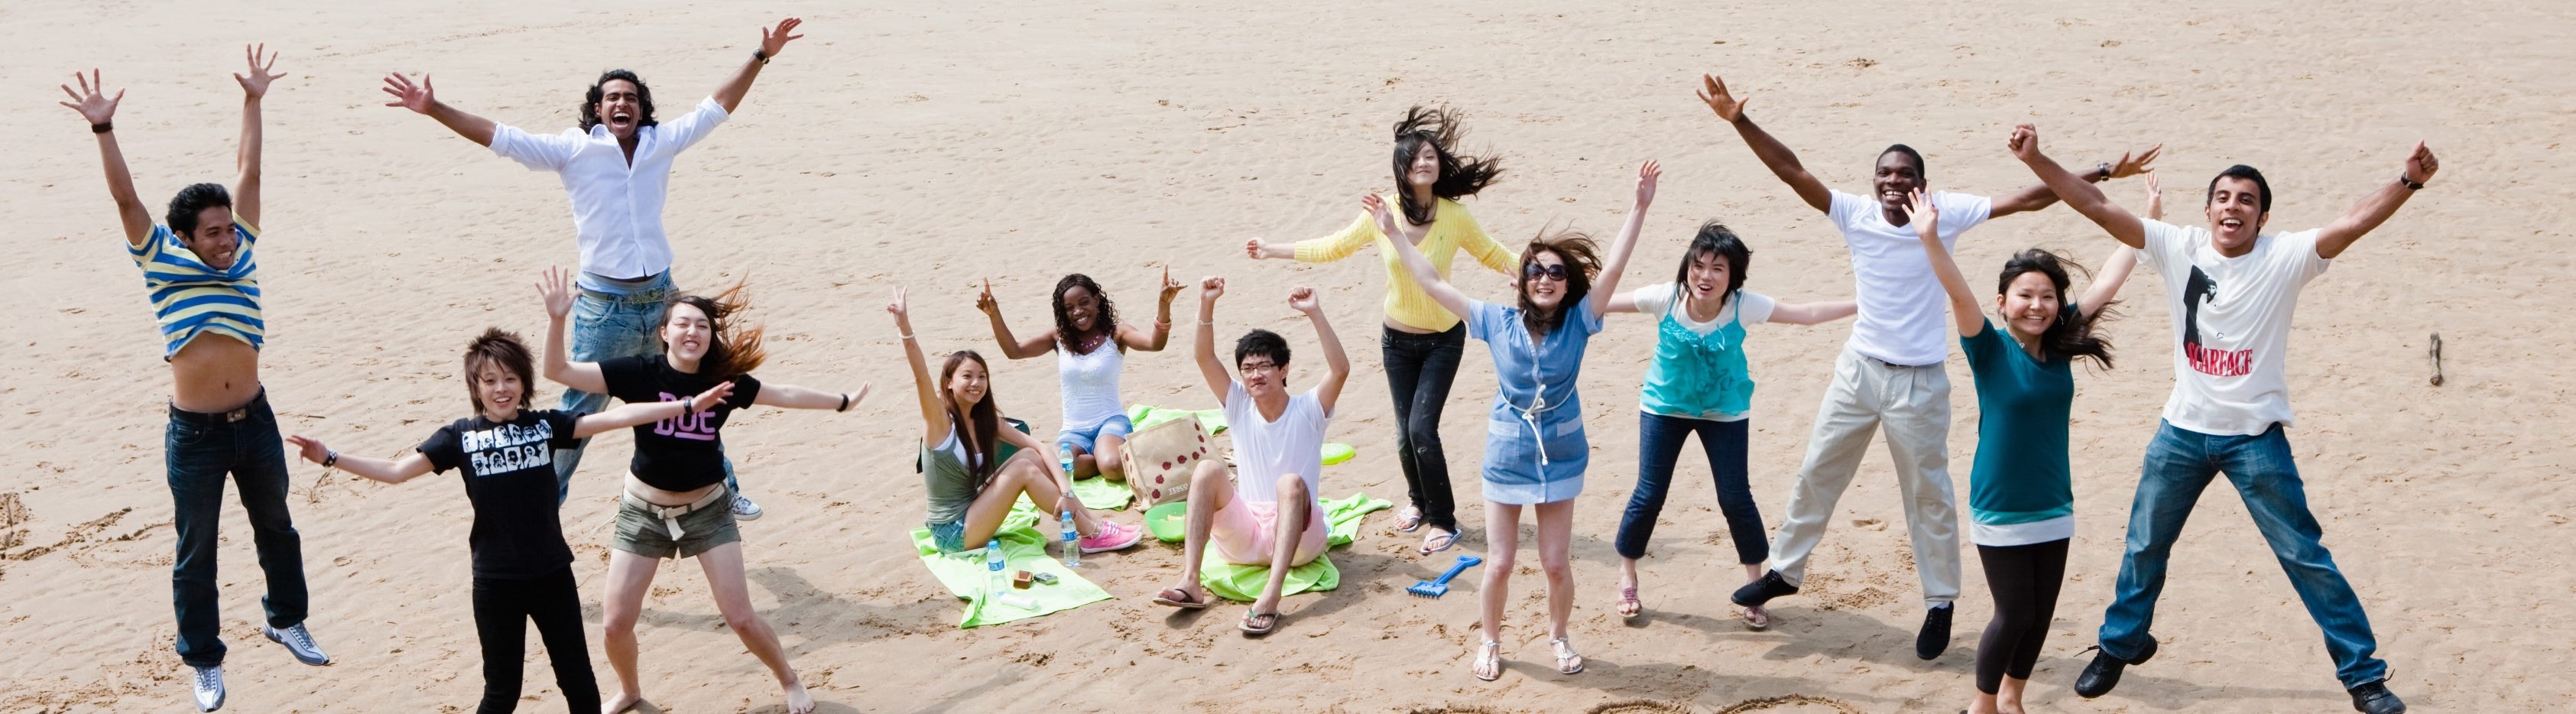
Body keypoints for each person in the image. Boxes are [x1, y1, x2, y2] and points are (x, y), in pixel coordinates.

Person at [1695, 73, 2159, 657]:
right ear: (1874, 182)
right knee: (1819, 470)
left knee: (1928, 494)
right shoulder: (1853, 213)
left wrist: (2101, 171)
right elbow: (1792, 171)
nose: (1894, 182)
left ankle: (1940, 601)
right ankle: (1785, 571)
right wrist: (1739, 120)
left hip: (1920, 381)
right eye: (1886, 174)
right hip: (1859, 368)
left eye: (1905, 175)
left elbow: (2028, 199)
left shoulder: (1945, 213)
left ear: (1921, 184)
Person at [2009, 123, 2434, 714]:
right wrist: (2038, 160)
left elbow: (2353, 221)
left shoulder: (2285, 257)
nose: (2234, 207)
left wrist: (2408, 181)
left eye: (2248, 201)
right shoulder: (2176, 245)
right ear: (2208, 209)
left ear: (2262, 218)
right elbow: (2098, 205)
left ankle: (2364, 676)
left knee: (2306, 557)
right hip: (2181, 431)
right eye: (2225, 198)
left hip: (2255, 439)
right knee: (2144, 545)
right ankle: (2120, 643)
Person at [381, 18, 807, 519]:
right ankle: (541, 508)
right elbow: (502, 138)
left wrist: (761, 54)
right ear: (598, 110)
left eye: (630, 97)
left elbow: (716, 108)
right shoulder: (574, 150)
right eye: (612, 97)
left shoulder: (660, 143)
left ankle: (722, 488)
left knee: (692, 396)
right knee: (577, 415)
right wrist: (433, 108)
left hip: (663, 302)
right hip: (604, 310)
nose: (622, 103)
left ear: (642, 109)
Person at [63, 47, 326, 711]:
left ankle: (286, 618)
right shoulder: (159, 261)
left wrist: (254, 100)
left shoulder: (246, 252)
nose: (228, 240)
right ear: (184, 237)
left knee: (278, 529)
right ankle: (204, 661)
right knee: (195, 552)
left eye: (229, 230)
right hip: (197, 435)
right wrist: (103, 128)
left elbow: (250, 169)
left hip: (256, 421)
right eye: (213, 234)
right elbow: (126, 198)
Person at [282, 329, 732, 713]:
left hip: (553, 573)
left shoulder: (545, 426)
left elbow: (618, 417)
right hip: (496, 582)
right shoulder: (458, 437)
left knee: (578, 681)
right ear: (476, 387)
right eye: (490, 380)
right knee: (502, 692)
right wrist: (331, 458)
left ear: (525, 384)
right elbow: (397, 471)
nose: (502, 389)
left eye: (511, 379)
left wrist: (685, 407)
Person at [533, 268, 860, 714]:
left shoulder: (724, 381)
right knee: (614, 625)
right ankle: (629, 690)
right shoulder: (638, 373)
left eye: (702, 325)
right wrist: (557, 319)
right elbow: (557, 371)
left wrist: (840, 402)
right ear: (664, 332)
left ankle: (790, 680)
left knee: (740, 617)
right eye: (683, 324)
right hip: (643, 512)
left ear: (710, 336)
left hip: (708, 510)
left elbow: (781, 393)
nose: (693, 332)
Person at [1380, 161, 1657, 680]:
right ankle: (1489, 641)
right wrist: (1396, 235)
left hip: (1562, 453)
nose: (1546, 279)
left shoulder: (1580, 321)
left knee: (1556, 562)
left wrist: (1638, 208)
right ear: (1521, 280)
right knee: (1501, 563)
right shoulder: (1496, 321)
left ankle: (1558, 635)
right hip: (1507, 454)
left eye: (1556, 272)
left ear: (1567, 282)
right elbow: (1435, 282)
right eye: (1536, 270)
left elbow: (1615, 269)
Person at [1902, 181, 2139, 714]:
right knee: (2012, 613)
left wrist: (2146, 225)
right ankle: (1982, 705)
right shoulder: (1988, 349)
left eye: (2048, 296)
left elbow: (2109, 277)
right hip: (2001, 503)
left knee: (2039, 614)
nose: (2038, 305)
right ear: (2004, 303)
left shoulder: (2061, 346)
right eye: (2026, 296)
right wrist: (1930, 239)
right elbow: (1958, 291)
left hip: (2054, 501)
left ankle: (2013, 698)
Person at [1244, 105, 1517, 556]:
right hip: (1396, 341)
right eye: (1414, 159)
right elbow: (1335, 246)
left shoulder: (1454, 215)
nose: (1424, 164)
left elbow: (1492, 253)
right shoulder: (1382, 213)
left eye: (1430, 157)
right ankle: (1418, 502)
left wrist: (1530, 273)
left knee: (1422, 430)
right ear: (1402, 169)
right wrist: (1274, 250)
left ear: (1439, 165)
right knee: (1403, 433)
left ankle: (1444, 520)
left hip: (1442, 341)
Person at [1601, 222, 1857, 628]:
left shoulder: (1743, 305)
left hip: (1725, 412)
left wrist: (1864, 303)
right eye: (1699, 265)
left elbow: (1805, 315)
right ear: (1687, 266)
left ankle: (1755, 587)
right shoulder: (1663, 298)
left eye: (1718, 268)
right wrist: (1547, 294)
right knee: (1649, 494)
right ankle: (1627, 574)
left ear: (1733, 276)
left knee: (1735, 498)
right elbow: (1600, 303)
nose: (1705, 276)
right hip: (1663, 408)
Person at [1147, 278, 1351, 638]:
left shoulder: (1309, 409)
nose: (1255, 375)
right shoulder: (1239, 404)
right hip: (1246, 535)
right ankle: (1190, 581)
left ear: (1284, 369)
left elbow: (1340, 370)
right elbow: (1204, 357)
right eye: (1248, 368)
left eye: (1264, 366)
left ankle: (1271, 596)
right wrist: (1206, 303)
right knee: (1209, 468)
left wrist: (1314, 313)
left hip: (1299, 538)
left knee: (1289, 483)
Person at [889, 286, 1147, 556]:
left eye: (982, 376)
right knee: (1023, 470)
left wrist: (1067, 494)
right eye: (967, 376)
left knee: (1028, 457)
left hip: (975, 510)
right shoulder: (940, 424)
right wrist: (904, 326)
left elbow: (1042, 449)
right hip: (953, 533)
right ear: (949, 383)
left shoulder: (985, 420)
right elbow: (920, 377)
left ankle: (1093, 525)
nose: (976, 383)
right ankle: (1092, 532)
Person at [974, 268, 1186, 482]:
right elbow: (1015, 351)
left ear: (1096, 301)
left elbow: (1154, 344)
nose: (1078, 312)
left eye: (1084, 303)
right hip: (1073, 431)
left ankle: (1110, 455)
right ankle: (1103, 456)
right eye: (1069, 308)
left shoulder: (1117, 333)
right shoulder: (1059, 337)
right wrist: (994, 314)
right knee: (1062, 467)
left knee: (1112, 468)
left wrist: (1164, 305)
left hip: (1110, 421)